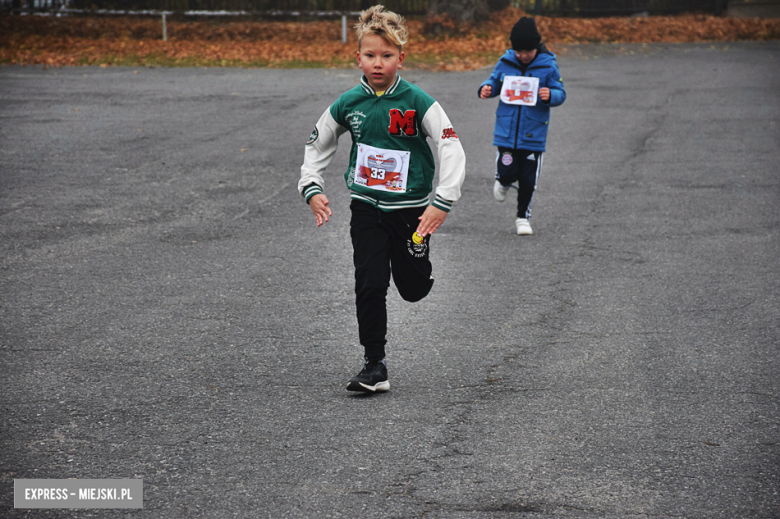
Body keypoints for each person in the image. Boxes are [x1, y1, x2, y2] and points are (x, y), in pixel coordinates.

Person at [298, 5, 466, 392]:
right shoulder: (348, 103)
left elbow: (451, 147)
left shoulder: (418, 101)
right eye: (370, 55)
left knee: (412, 289)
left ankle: (419, 253)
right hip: (367, 207)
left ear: (400, 58)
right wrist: (313, 188)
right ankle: (375, 364)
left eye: (386, 56)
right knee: (370, 281)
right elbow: (317, 144)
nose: (378, 63)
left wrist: (442, 200)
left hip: (410, 212)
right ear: (358, 57)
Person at [478, 16, 566, 235]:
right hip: (507, 131)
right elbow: (494, 82)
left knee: (528, 179)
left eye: (528, 51)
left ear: (536, 47)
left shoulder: (548, 65)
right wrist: (487, 88)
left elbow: (560, 92)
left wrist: (550, 95)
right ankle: (503, 181)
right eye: (519, 52)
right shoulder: (505, 62)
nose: (523, 56)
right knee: (507, 171)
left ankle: (522, 217)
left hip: (533, 132)